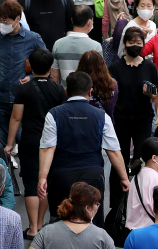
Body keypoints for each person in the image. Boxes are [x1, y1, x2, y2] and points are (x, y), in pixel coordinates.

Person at [37, 70, 129, 226]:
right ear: (90, 91)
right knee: (92, 220)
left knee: (61, 220)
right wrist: (124, 178)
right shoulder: (101, 116)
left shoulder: (54, 114)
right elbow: (113, 150)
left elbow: (47, 148)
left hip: (62, 175)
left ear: (66, 91)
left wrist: (42, 177)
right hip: (92, 175)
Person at [5, 48, 66, 239]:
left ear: (29, 65)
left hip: (30, 140)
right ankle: (41, 223)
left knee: (31, 183)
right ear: (50, 67)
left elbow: (16, 118)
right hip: (52, 141)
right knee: (45, 182)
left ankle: (32, 228)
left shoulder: (24, 88)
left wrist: (9, 143)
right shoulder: (58, 89)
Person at [107, 26, 158, 204]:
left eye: (138, 43)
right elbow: (110, 94)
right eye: (131, 42)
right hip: (121, 118)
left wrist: (150, 94)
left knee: (140, 158)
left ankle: (138, 200)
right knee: (118, 158)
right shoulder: (115, 67)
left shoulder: (149, 66)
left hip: (143, 118)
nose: (135, 46)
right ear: (125, 44)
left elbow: (155, 92)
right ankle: (116, 203)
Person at [0, 0, 45, 143]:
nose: (3, 24)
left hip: (24, 98)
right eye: (1, 21)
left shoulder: (33, 38)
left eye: (6, 21)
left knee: (23, 140)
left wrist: (32, 76)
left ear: (17, 19)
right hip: (1, 96)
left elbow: (46, 64)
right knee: (0, 141)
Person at [51, 4, 103, 83]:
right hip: (86, 94)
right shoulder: (95, 46)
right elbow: (99, 76)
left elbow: (54, 76)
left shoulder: (58, 44)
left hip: (65, 93)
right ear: (89, 22)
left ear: (72, 20)